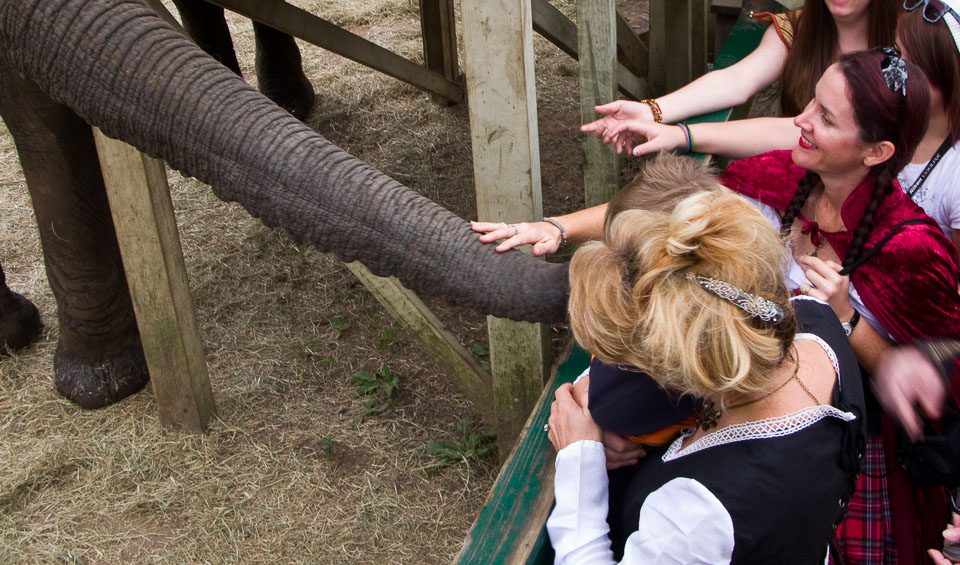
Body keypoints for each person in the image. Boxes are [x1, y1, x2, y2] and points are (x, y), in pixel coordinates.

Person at [546, 187, 865, 563]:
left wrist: (579, 461)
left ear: (675, 366)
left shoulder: (698, 516)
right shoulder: (812, 319)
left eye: (628, 361)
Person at [577, 0, 897, 147]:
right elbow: (737, 80)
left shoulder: (908, 40)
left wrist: (683, 135)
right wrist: (652, 110)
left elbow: (807, 132)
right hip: (806, 184)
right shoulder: (799, 28)